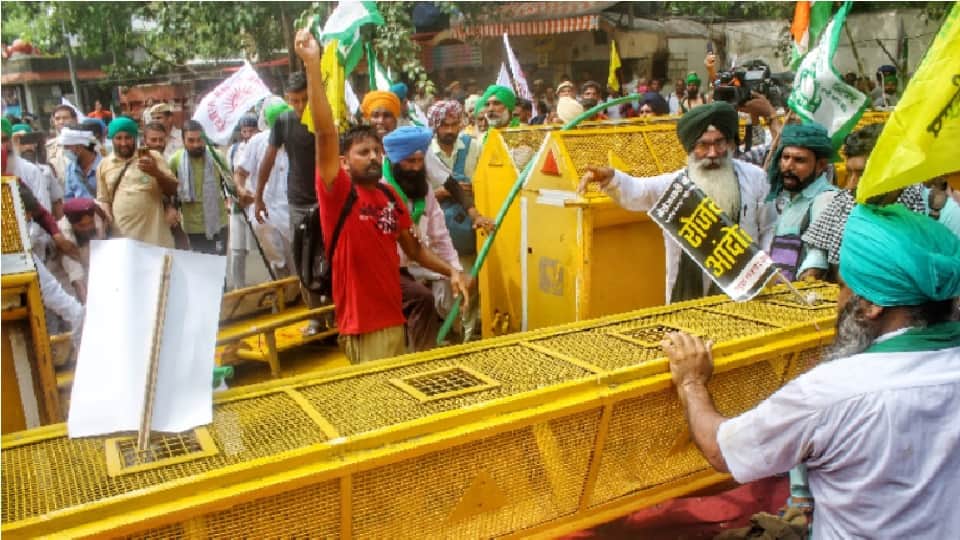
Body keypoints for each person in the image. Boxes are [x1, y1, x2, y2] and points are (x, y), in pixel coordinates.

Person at [662, 202, 960, 539]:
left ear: (872, 305)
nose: (838, 301)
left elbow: (723, 450)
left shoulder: (833, 391)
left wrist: (691, 382)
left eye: (843, 287)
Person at [295, 28, 467, 363]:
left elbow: (414, 250)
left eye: (377, 151)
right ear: (344, 163)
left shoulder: (389, 196)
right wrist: (312, 65)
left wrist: (452, 271)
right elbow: (326, 133)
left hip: (394, 320)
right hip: (363, 325)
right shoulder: (338, 194)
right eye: (364, 152)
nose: (374, 157)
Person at [577, 102, 776, 303]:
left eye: (719, 143)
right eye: (703, 145)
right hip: (688, 296)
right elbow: (638, 190)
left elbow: (769, 227)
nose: (713, 153)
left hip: (744, 290)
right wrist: (611, 177)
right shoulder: (677, 185)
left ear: (730, 144)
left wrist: (765, 268)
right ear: (691, 149)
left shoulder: (755, 178)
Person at [802, 124, 955, 280]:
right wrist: (811, 275)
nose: (851, 185)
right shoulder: (843, 202)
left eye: (863, 174)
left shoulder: (939, 210)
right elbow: (819, 253)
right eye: (849, 173)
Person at [383, 126, 466, 351]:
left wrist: (456, 271)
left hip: (418, 260)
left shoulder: (424, 189)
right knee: (421, 298)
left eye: (420, 161)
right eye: (409, 161)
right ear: (395, 161)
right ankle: (421, 355)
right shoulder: (381, 188)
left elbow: (440, 235)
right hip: (387, 267)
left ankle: (451, 336)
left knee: (454, 285)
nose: (416, 168)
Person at [253, 72, 322, 332]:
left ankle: (338, 311)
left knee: (332, 256)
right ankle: (315, 317)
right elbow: (268, 160)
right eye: (295, 100)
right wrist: (258, 197)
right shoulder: (283, 122)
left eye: (304, 99)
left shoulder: (325, 118)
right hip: (298, 200)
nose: (300, 106)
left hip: (327, 198)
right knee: (303, 259)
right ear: (287, 99)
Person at [425, 100, 496, 341]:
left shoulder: (472, 147)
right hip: (435, 232)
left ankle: (466, 334)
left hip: (465, 229)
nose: (450, 130)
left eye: (454, 124)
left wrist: (472, 190)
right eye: (444, 125)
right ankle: (451, 330)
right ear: (435, 126)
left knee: (470, 284)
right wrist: (443, 193)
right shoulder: (425, 152)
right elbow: (418, 195)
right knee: (443, 293)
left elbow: (485, 181)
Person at [765, 123, 838, 281]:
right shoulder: (787, 199)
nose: (788, 166)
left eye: (799, 160)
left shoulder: (826, 199)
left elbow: (817, 258)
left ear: (821, 165)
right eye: (785, 157)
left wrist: (804, 285)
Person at [96, 116, 179, 248]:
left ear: (135, 138)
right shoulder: (104, 165)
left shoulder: (153, 157)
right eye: (118, 138)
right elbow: (104, 200)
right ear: (112, 139)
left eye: (128, 137)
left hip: (155, 239)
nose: (123, 143)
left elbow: (173, 189)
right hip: (123, 241)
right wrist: (107, 219)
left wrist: (156, 172)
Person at [235, 102, 295, 280]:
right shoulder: (257, 142)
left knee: (298, 267)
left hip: (293, 213)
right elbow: (240, 172)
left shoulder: (300, 139)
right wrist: (241, 189)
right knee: (278, 267)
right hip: (264, 213)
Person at [169, 120, 229, 255]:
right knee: (198, 265)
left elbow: (229, 184)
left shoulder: (217, 156)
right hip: (192, 228)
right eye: (191, 140)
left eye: (199, 140)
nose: (196, 144)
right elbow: (170, 190)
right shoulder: (175, 160)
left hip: (218, 223)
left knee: (218, 264)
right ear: (183, 141)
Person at [224, 113, 260, 288]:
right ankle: (239, 287)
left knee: (264, 248)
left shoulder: (264, 147)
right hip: (238, 204)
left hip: (257, 204)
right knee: (237, 250)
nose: (248, 135)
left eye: (252, 131)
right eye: (245, 131)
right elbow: (228, 175)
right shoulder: (233, 150)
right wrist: (230, 197)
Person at [60, 127, 101, 200]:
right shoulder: (70, 168)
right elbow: (69, 198)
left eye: (67, 147)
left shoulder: (104, 165)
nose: (65, 150)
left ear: (79, 147)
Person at [45, 104, 78, 184]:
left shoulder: (89, 143)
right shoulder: (48, 147)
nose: (61, 122)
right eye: (57, 119)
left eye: (65, 118)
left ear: (75, 120)